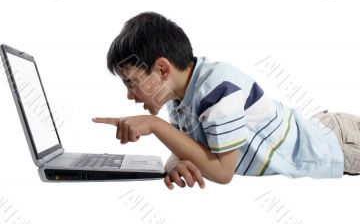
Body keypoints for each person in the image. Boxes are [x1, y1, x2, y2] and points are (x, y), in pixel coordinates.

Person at [92, 12, 360, 190]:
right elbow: (190, 145)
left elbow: (222, 172)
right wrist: (174, 162)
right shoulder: (179, 101)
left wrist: (154, 125)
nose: (130, 95)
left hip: (337, 143)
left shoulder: (216, 88)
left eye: (131, 82)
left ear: (163, 69)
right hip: (321, 129)